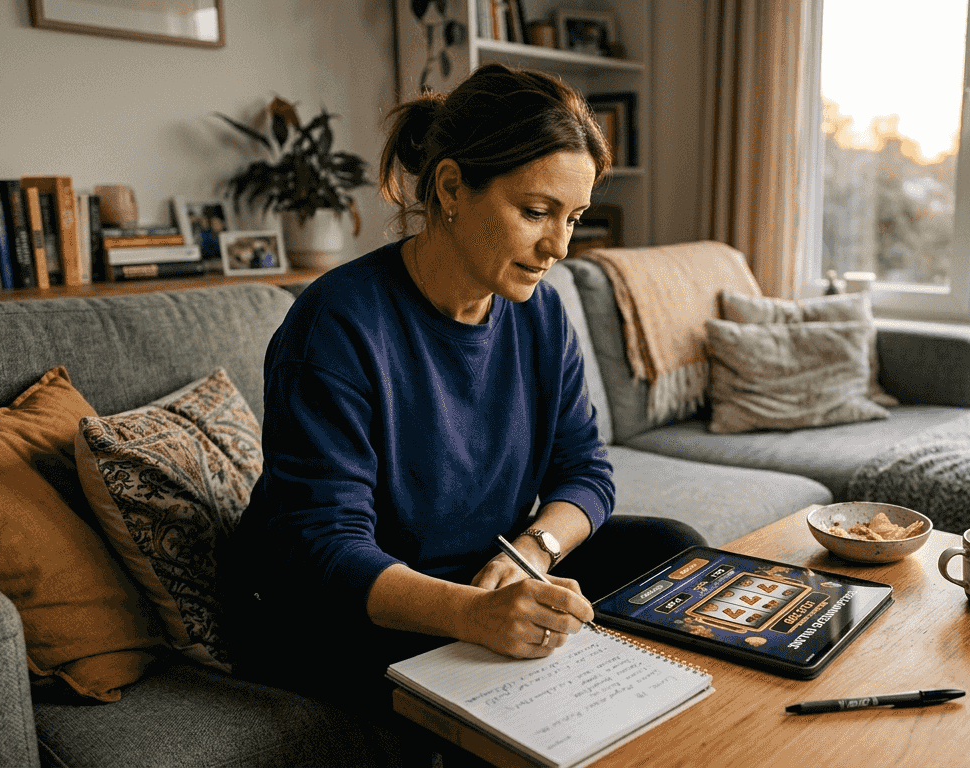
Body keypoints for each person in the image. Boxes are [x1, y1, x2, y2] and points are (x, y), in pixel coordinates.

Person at [223, 63, 705, 719]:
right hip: (344, 599)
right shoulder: (336, 323)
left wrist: (530, 555)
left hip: (485, 564)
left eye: (574, 217)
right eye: (536, 212)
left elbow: (585, 470)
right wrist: (473, 615)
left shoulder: (540, 313)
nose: (558, 246)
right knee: (508, 683)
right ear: (451, 187)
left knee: (671, 550)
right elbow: (326, 549)